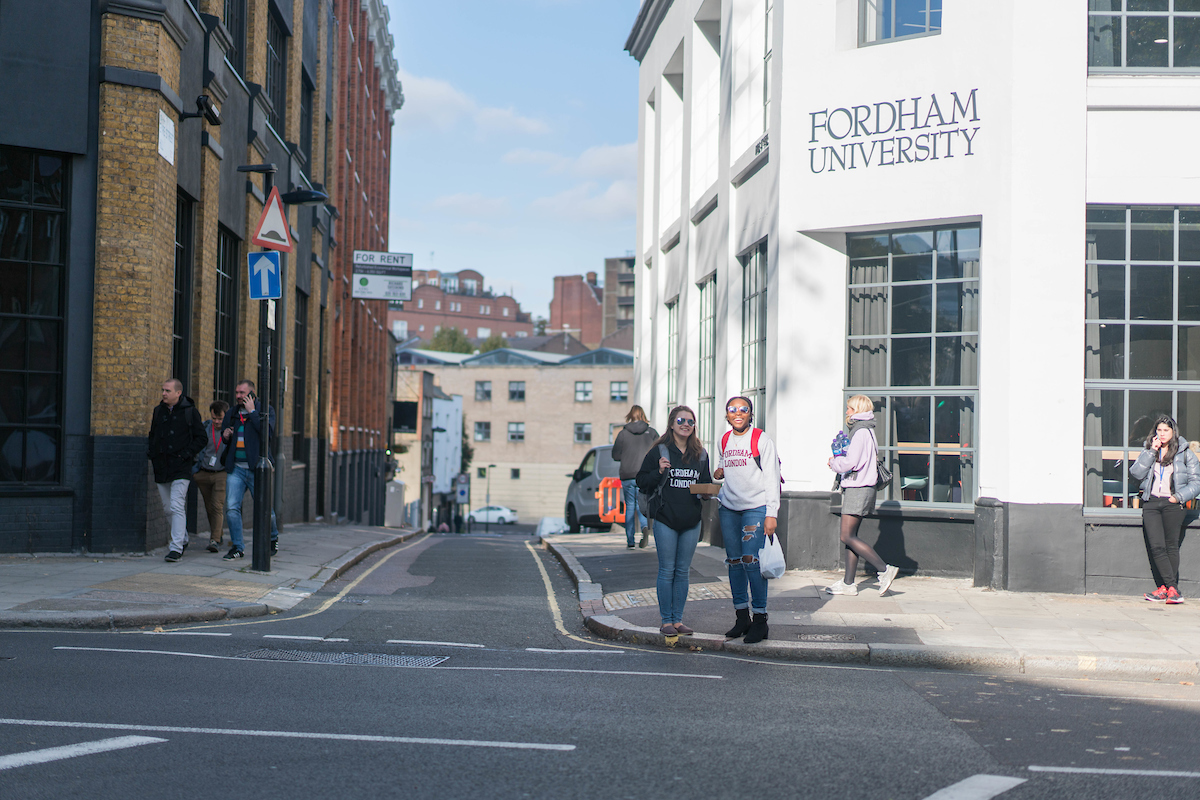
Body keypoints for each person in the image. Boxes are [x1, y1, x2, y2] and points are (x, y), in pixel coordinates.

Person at [636, 405, 712, 636]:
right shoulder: (659, 452)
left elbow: (705, 484)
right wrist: (658, 471)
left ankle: (678, 621)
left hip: (691, 519)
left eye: (690, 421)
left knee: (683, 571)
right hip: (665, 519)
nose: (686, 424)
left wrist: (708, 491)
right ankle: (666, 621)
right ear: (671, 424)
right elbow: (641, 481)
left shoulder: (700, 453)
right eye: (681, 421)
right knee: (667, 570)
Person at [713, 396, 781, 643]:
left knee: (752, 561)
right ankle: (742, 617)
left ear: (751, 414)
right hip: (729, 508)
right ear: (727, 414)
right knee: (734, 562)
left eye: (744, 409)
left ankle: (760, 620)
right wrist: (719, 470)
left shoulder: (761, 439)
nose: (738, 413)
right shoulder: (724, 439)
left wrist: (771, 514)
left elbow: (772, 478)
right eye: (732, 409)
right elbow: (723, 462)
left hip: (756, 508)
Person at [826, 395, 900, 597]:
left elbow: (851, 463)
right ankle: (848, 583)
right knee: (851, 537)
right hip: (862, 488)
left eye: (850, 408)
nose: (847, 412)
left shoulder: (859, 432)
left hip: (858, 488)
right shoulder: (867, 430)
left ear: (857, 410)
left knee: (846, 536)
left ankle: (884, 569)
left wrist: (834, 463)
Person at [1130, 415, 1200, 604]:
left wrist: (1178, 496)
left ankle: (1167, 589)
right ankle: (1170, 590)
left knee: (1170, 546)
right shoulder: (1149, 450)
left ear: (1173, 432)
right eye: (1159, 430)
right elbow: (1136, 473)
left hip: (1173, 504)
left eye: (1165, 431)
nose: (1161, 434)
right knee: (1156, 546)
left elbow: (1196, 483)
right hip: (1151, 503)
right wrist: (1151, 451)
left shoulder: (1185, 453)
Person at [147, 379, 206, 563]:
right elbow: (152, 434)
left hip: (181, 467)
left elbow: (201, 438)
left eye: (167, 390)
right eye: (163, 390)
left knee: (176, 505)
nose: (163, 393)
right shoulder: (158, 411)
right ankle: (184, 538)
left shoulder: (190, 412)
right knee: (167, 508)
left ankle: (176, 547)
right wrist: (152, 453)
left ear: (178, 393)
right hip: (162, 466)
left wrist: (186, 454)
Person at [219, 380, 279, 559]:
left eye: (242, 393)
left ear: (252, 394)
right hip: (236, 468)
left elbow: (267, 432)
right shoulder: (232, 413)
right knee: (231, 508)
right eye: (237, 392)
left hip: (256, 469)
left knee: (266, 508)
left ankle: (272, 537)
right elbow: (225, 437)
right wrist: (225, 436)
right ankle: (237, 547)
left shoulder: (265, 410)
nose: (238, 396)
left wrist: (253, 412)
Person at [611, 405, 659, 549]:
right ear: (643, 416)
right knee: (642, 504)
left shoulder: (623, 434)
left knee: (630, 506)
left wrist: (626, 456)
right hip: (644, 475)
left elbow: (615, 455)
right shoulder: (651, 433)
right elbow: (660, 451)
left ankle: (630, 540)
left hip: (627, 475)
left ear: (630, 416)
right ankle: (644, 527)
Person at [194, 400, 230, 552]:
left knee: (217, 506)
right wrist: (194, 471)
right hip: (203, 472)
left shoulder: (230, 431)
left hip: (221, 473)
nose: (216, 421)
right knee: (209, 507)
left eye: (220, 419)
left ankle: (214, 540)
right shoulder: (205, 428)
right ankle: (219, 534)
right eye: (214, 418)